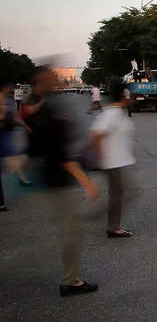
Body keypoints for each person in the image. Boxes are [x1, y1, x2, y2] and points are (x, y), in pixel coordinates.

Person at [24, 67, 100, 296]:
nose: (58, 79)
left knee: (68, 230)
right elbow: (58, 154)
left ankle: (70, 278)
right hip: (55, 178)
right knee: (72, 231)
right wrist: (86, 181)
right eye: (52, 76)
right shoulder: (44, 108)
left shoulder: (40, 105)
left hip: (49, 175)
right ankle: (70, 281)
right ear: (41, 81)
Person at [91, 80, 135, 237]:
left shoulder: (118, 112)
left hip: (118, 161)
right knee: (121, 194)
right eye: (130, 95)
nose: (132, 99)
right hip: (112, 162)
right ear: (125, 96)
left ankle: (111, 224)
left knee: (121, 193)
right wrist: (100, 157)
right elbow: (95, 134)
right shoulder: (112, 113)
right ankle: (112, 226)